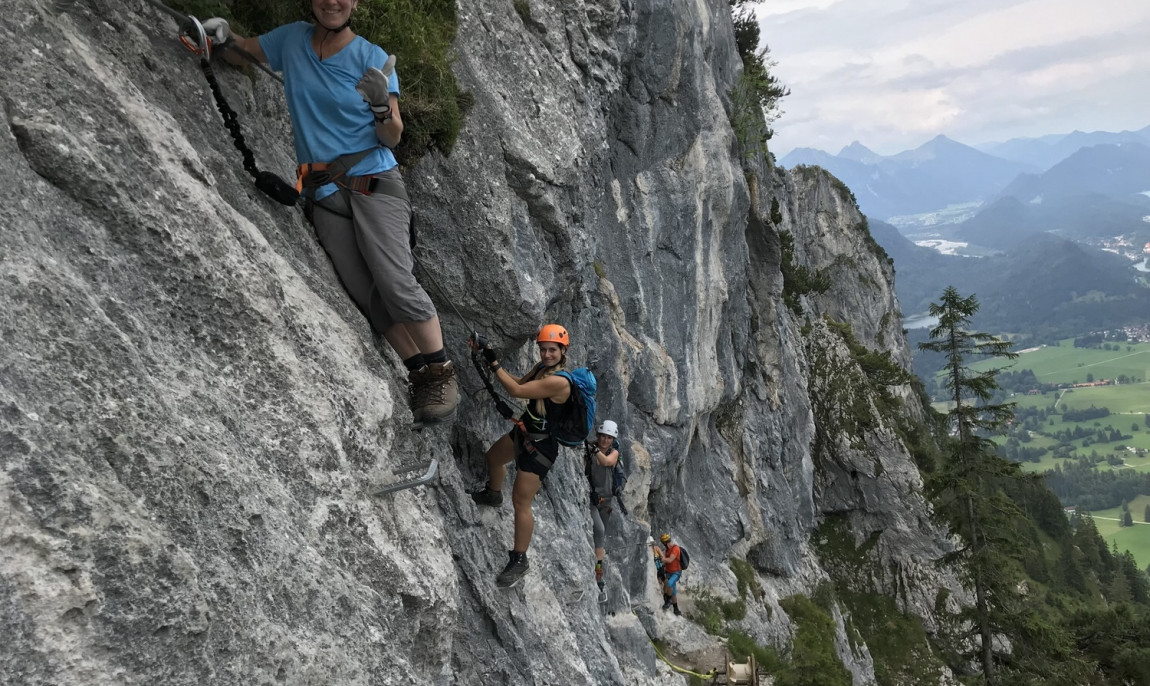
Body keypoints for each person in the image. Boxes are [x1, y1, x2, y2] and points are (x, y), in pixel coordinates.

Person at [201, 1, 458, 424]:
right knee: (365, 292)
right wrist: (220, 38)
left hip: (374, 181)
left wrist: (381, 107)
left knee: (395, 281)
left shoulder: (371, 57)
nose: (333, 1)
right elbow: (243, 51)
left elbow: (392, 135)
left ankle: (443, 371)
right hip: (323, 194)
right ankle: (419, 372)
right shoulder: (291, 40)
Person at [470, 324, 575, 587]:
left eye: (552, 350)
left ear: (563, 351)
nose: (546, 354)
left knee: (521, 501)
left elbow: (516, 392)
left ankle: (520, 559)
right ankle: (493, 494)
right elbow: (519, 383)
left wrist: (494, 363)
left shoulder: (559, 381)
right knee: (493, 458)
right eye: (543, 349)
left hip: (541, 448)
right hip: (524, 433)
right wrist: (490, 357)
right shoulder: (542, 370)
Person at [586, 420, 620, 598]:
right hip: (593, 499)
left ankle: (598, 573)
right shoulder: (589, 450)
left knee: (601, 535)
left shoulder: (614, 453)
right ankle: (598, 575)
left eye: (609, 437)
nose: (605, 440)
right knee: (598, 530)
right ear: (599, 435)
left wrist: (595, 450)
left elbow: (607, 462)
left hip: (606, 503)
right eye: (603, 436)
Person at [654, 533, 683, 615]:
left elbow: (670, 560)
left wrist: (663, 559)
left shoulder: (675, 548)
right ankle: (676, 609)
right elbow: (667, 562)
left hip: (676, 572)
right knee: (673, 591)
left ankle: (668, 600)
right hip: (669, 572)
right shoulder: (667, 550)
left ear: (665, 543)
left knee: (670, 584)